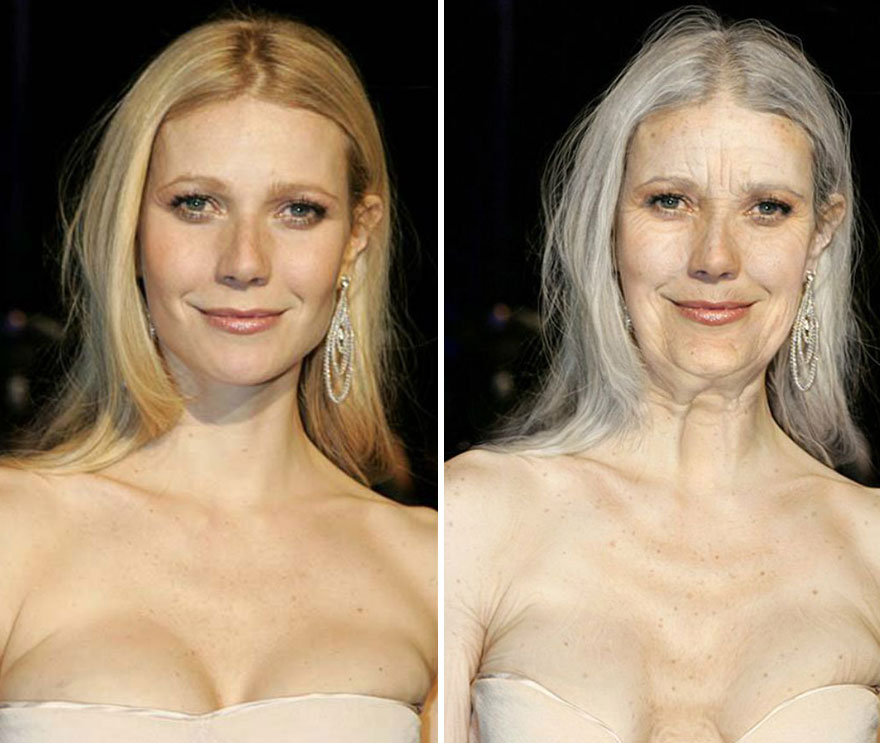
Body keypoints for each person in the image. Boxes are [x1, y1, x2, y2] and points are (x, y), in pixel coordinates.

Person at [0, 12, 436, 743]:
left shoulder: (431, 565)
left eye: (298, 211)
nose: (244, 262)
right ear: (131, 226)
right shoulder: (15, 530)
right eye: (196, 204)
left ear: (356, 236)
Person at [446, 8, 880, 742]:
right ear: (609, 222)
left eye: (767, 208)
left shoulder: (870, 548)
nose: (715, 258)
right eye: (670, 201)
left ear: (819, 235)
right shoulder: (476, 519)